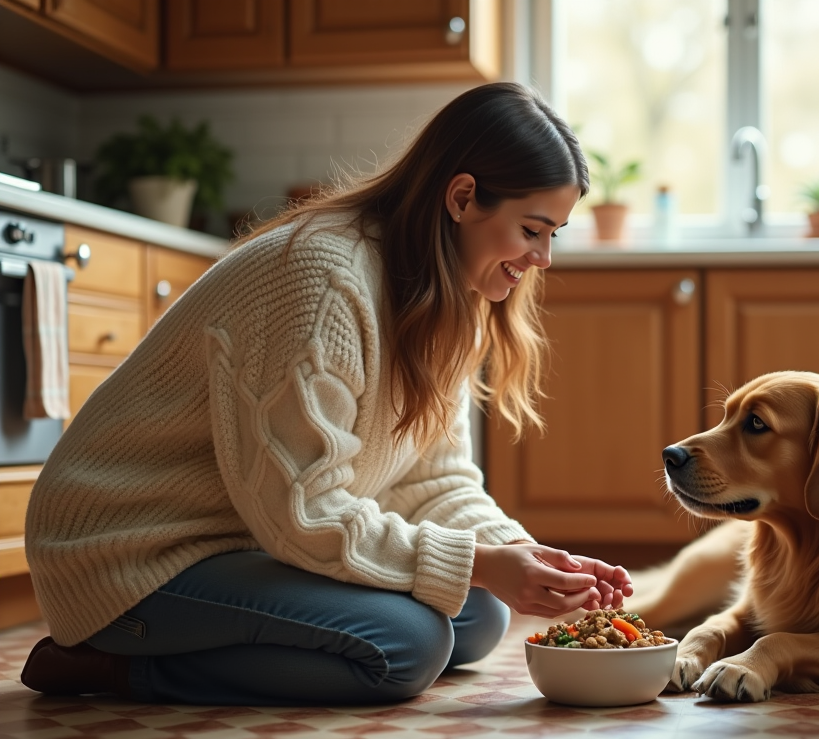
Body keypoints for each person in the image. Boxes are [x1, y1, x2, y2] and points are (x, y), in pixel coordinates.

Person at [19, 82, 633, 706]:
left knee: (479, 615)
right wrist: (480, 563)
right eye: (533, 229)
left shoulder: (453, 300)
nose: (544, 258)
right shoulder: (321, 282)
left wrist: (518, 553)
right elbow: (301, 513)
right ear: (464, 196)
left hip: (249, 539)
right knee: (409, 646)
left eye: (552, 233)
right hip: (133, 556)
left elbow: (433, 480)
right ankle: (109, 665)